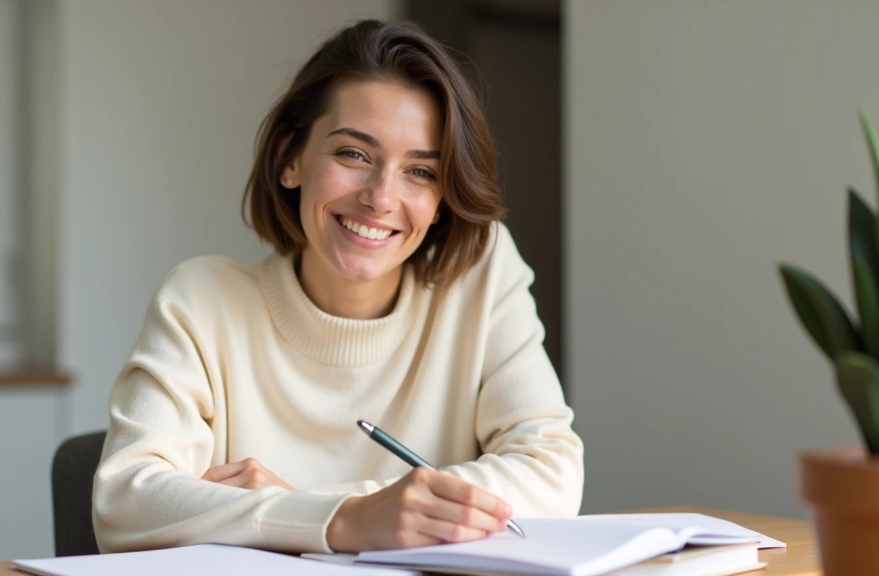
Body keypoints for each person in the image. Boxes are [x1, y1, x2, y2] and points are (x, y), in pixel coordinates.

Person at [92, 18, 583, 555]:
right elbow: (124, 503)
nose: (380, 198)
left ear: (443, 198)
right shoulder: (202, 300)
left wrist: (313, 509)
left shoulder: (480, 272)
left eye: (420, 172)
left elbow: (552, 471)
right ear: (291, 158)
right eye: (354, 154)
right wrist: (345, 521)